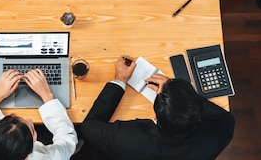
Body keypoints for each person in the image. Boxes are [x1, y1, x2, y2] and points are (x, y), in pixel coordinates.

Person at [81, 56, 235, 160]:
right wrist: (180, 96)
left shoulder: (126, 137)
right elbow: (226, 118)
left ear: (157, 116)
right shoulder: (214, 140)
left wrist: (120, 81)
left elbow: (88, 127)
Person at [0, 69, 77, 160]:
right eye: (32, 130)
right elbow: (68, 139)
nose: (30, 119)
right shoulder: (50, 158)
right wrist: (47, 95)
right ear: (29, 151)